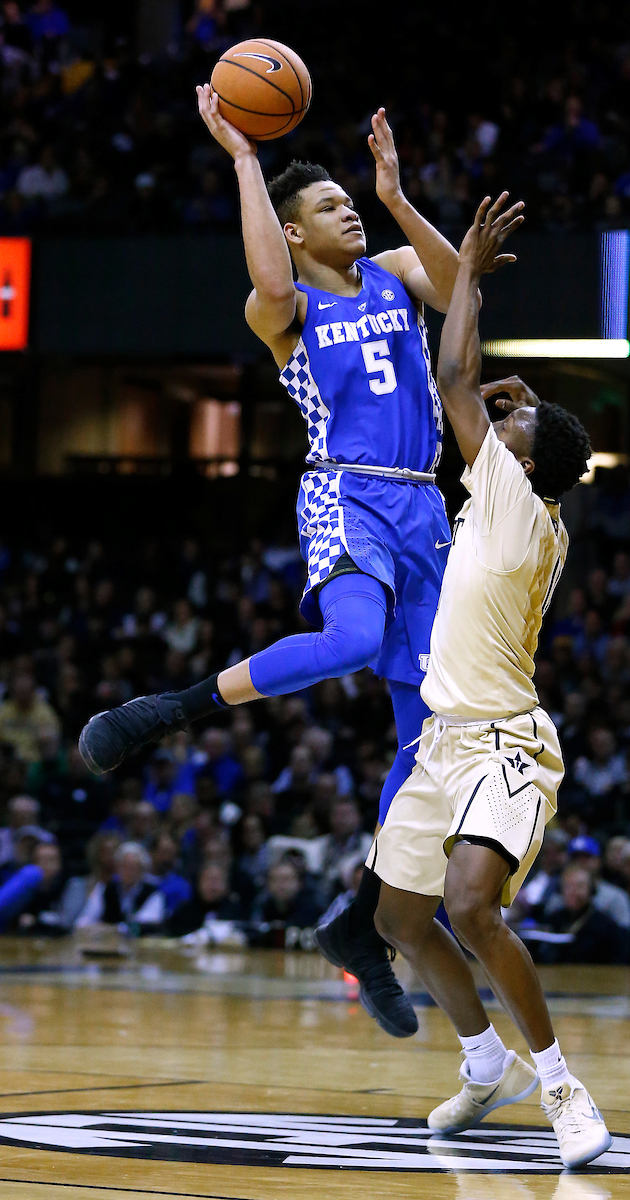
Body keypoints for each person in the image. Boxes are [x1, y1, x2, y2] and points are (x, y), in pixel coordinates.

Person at [78, 93, 463, 1037]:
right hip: (347, 491)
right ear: (293, 231)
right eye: (331, 207)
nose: (350, 214)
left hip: (425, 506)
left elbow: (459, 286)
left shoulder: (395, 268)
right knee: (354, 636)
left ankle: (361, 923)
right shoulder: (282, 311)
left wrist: (398, 194)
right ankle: (166, 711)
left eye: (349, 203)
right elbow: (265, 271)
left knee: (432, 739)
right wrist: (247, 160)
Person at [367, 195, 610, 1168]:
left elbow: (452, 374)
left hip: (505, 741)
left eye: (512, 428)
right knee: (396, 917)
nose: (496, 425)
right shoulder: (509, 497)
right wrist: (510, 403)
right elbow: (473, 392)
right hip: (444, 741)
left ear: (525, 462)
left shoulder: (519, 505)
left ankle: (561, 1088)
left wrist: (462, 269)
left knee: (469, 906)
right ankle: (483, 1063)